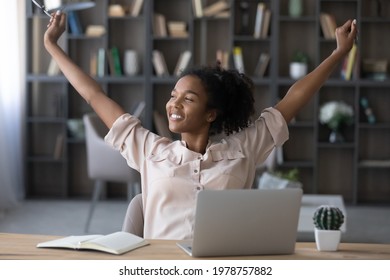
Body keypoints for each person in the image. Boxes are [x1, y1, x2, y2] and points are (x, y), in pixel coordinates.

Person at [44, 11, 357, 239]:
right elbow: (93, 94)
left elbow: (292, 101)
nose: (174, 104)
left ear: (211, 113)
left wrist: (338, 53)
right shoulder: (150, 150)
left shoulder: (243, 148)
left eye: (188, 98)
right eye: (173, 95)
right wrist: (52, 46)